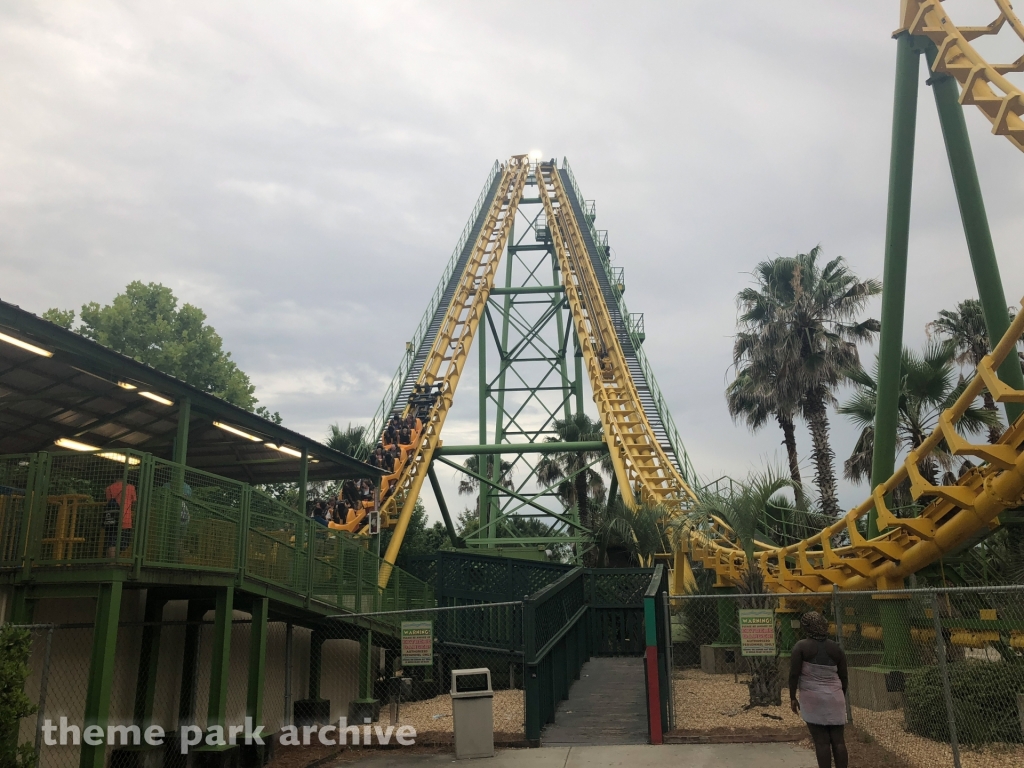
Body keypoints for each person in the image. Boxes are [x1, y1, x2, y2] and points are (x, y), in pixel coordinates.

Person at [790, 611, 849, 768]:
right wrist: (839, 696)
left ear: (806, 628)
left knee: (821, 742)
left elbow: (794, 674)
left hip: (812, 698)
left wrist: (792, 697)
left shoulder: (801, 647)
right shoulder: (836, 649)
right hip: (835, 698)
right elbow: (844, 677)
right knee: (838, 741)